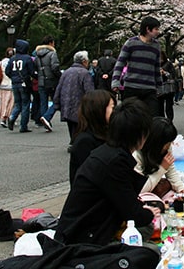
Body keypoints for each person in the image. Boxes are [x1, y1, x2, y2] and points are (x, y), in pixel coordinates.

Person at [55, 98, 159, 246]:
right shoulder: (114, 161)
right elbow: (133, 213)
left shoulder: (111, 152)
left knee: (145, 230)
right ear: (140, 134)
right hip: (84, 239)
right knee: (149, 250)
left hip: (87, 228)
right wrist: (149, 213)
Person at [111, 16, 162, 118]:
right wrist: (115, 81)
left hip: (149, 88)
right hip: (132, 87)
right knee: (130, 118)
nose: (158, 32)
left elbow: (157, 68)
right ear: (148, 29)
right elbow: (120, 63)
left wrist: (160, 86)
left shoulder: (156, 46)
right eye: (156, 29)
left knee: (152, 117)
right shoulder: (131, 43)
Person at [133, 117, 184, 195]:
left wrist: (181, 188)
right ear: (157, 142)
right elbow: (140, 189)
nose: (169, 146)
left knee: (167, 185)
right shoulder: (137, 154)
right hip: (139, 189)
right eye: (167, 144)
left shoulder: (166, 147)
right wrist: (162, 168)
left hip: (153, 180)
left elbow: (170, 170)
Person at [52, 51, 95, 140]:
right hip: (80, 105)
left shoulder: (66, 72)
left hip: (66, 104)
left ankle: (73, 141)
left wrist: (56, 103)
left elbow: (58, 88)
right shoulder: (85, 73)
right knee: (81, 126)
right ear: (84, 61)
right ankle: (77, 143)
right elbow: (89, 91)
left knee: (71, 126)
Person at [5, 39, 36, 133]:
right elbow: (31, 71)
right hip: (24, 83)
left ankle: (12, 117)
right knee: (25, 104)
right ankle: (23, 126)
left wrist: (13, 78)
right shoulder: (27, 58)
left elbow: (7, 71)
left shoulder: (12, 59)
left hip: (15, 83)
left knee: (18, 103)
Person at [35, 35, 61, 125]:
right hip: (51, 80)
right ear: (50, 43)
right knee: (57, 100)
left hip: (41, 80)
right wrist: (59, 76)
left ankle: (43, 120)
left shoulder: (37, 55)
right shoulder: (52, 54)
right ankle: (46, 117)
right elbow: (55, 67)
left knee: (43, 102)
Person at [0, 48, 14, 128]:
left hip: (2, 84)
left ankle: (3, 118)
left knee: (3, 102)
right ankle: (7, 117)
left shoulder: (1, 62)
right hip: (10, 85)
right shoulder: (12, 62)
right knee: (10, 103)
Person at [159, 52, 177, 121]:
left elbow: (173, 75)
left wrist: (165, 73)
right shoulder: (155, 65)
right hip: (159, 88)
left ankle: (169, 121)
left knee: (169, 106)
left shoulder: (168, 64)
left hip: (168, 87)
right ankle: (162, 121)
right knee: (160, 107)